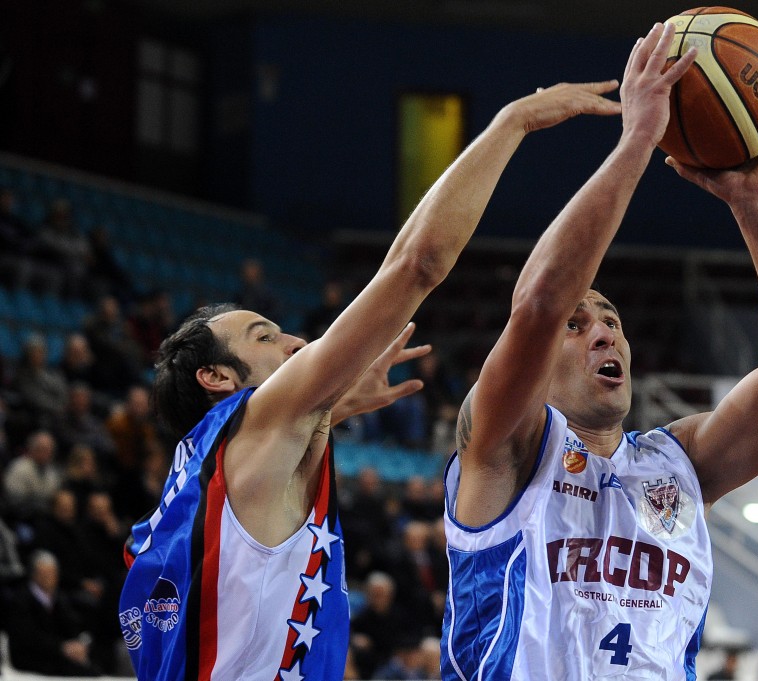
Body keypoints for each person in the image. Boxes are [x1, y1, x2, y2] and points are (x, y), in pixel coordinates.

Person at [117, 81, 621, 681]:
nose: (295, 343)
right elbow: (418, 263)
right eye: (265, 338)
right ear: (217, 377)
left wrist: (336, 408)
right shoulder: (256, 423)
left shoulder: (191, 488)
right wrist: (513, 121)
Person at [440, 22, 758, 681]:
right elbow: (538, 302)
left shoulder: (679, 463)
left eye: (612, 321)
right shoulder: (505, 445)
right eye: (578, 325)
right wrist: (637, 141)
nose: (604, 333)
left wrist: (756, 205)